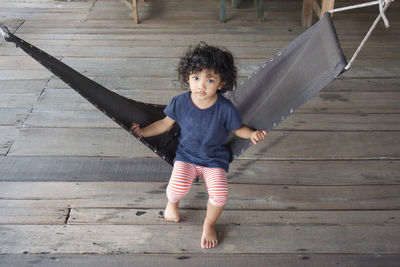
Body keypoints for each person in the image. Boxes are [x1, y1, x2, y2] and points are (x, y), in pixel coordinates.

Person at [131, 43, 267, 249]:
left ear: (221, 83)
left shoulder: (225, 109)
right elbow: (164, 124)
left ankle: (209, 223)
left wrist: (252, 134)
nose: (201, 86)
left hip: (214, 159)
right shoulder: (180, 103)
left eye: (209, 80)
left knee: (220, 195)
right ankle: (172, 203)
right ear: (187, 77)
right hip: (186, 157)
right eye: (196, 78)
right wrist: (144, 132)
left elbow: (238, 128)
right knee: (176, 189)